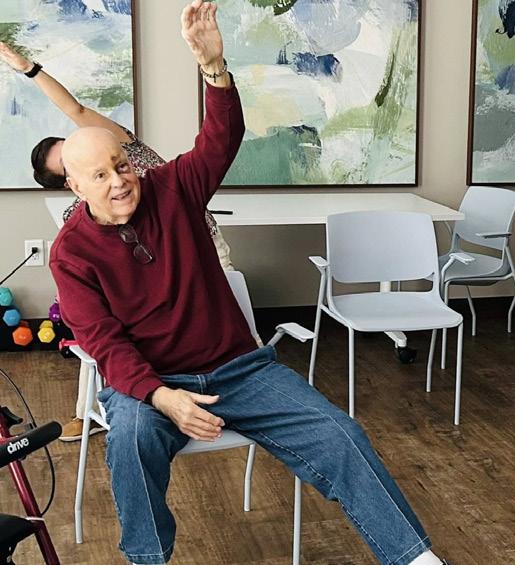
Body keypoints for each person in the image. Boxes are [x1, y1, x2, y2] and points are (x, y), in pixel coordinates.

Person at [48, 4, 446, 564]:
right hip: (152, 383)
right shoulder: (71, 253)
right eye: (100, 175)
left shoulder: (173, 187)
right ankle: (147, 560)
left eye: (121, 165)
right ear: (75, 187)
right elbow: (105, 343)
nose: (119, 181)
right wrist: (163, 397)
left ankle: (416, 558)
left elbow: (221, 138)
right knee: (132, 441)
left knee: (341, 435)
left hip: (239, 369)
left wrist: (215, 69)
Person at [0, 38, 235, 443]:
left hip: (201, 244)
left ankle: (246, 391)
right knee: (108, 334)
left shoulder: (117, 143)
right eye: (72, 165)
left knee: (227, 333)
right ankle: (94, 411)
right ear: (73, 184)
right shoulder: (85, 219)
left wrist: (29, 69)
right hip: (155, 274)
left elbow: (74, 109)